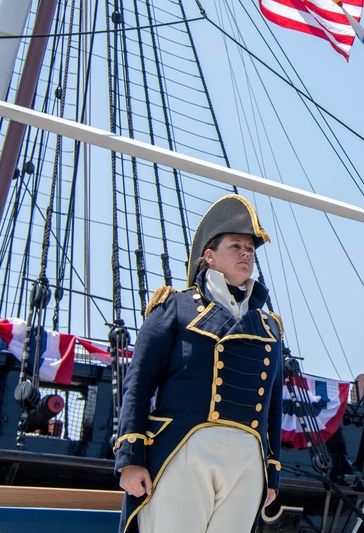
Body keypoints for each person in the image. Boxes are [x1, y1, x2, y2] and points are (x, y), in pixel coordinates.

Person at [114, 194, 285, 533]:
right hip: (184, 448)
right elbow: (139, 383)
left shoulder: (269, 327)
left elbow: (274, 407)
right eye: (235, 245)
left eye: (250, 249)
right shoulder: (175, 308)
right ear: (209, 256)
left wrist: (272, 471)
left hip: (248, 463)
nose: (246, 254)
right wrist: (130, 460)